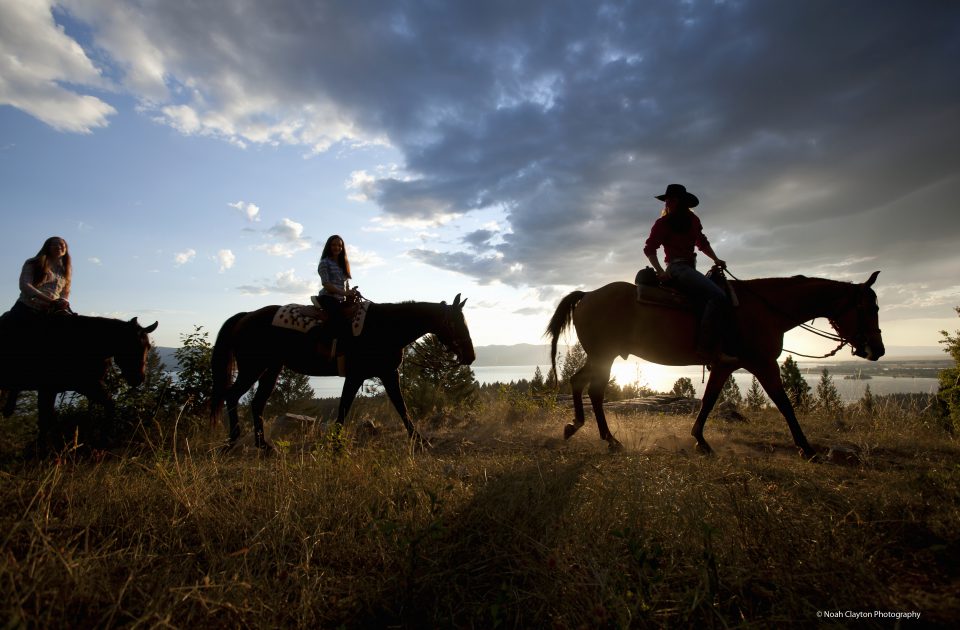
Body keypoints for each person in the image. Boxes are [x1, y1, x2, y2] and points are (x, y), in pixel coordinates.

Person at [643, 184, 738, 366]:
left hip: (690, 269)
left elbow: (701, 242)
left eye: (670, 199)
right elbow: (650, 248)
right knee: (718, 296)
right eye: (666, 200)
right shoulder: (662, 223)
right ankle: (704, 351)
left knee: (712, 295)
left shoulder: (693, 220)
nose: (667, 203)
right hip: (677, 269)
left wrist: (716, 259)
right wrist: (660, 271)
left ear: (679, 202)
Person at [9, 236, 73, 322]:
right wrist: (51, 301)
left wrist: (63, 301)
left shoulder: (66, 270)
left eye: (62, 245)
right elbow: (25, 285)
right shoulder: (33, 262)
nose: (59, 246)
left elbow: (65, 291)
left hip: (49, 312)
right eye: (54, 244)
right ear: (47, 247)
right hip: (27, 309)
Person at [314, 234, 358, 358]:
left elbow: (344, 285)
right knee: (338, 318)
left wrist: (350, 293)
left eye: (339, 245)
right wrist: (344, 293)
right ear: (329, 246)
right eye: (334, 245)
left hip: (340, 299)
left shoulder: (343, 264)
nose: (337, 247)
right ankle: (324, 346)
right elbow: (327, 284)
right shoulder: (324, 263)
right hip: (327, 297)